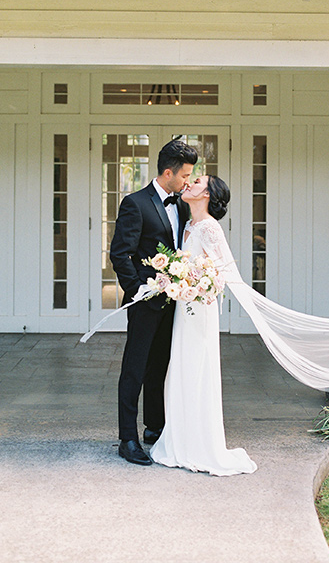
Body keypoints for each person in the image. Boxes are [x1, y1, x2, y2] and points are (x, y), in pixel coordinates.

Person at [150, 175, 257, 476]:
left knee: (197, 370)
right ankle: (180, 441)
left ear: (207, 193)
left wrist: (197, 284)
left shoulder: (210, 227)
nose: (188, 184)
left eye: (195, 181)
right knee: (181, 369)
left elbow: (222, 273)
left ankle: (200, 446)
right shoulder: (188, 224)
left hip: (200, 310)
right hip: (184, 309)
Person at [110, 139, 198, 466]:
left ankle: (154, 427)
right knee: (135, 367)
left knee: (160, 365)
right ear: (167, 172)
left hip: (173, 301)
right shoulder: (136, 203)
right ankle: (127, 438)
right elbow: (121, 253)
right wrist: (138, 290)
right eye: (185, 175)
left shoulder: (183, 204)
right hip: (145, 301)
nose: (188, 181)